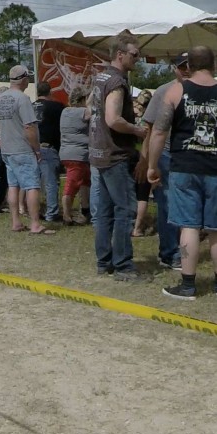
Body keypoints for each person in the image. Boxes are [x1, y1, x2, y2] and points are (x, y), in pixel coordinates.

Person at [148, 45, 217, 300]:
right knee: (215, 229)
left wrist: (152, 165)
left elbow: (158, 131)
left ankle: (188, 285)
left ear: (188, 67)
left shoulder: (176, 91)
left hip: (185, 167)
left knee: (188, 225)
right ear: (214, 64)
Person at [89, 33, 148, 279]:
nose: (138, 59)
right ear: (120, 54)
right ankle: (123, 265)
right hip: (115, 154)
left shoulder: (99, 78)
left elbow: (88, 111)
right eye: (134, 55)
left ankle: (104, 262)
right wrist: (138, 130)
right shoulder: (117, 82)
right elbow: (112, 119)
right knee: (124, 209)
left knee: (104, 211)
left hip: (98, 152)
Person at [141, 53, 190, 271]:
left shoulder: (207, 89)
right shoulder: (163, 91)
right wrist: (148, 161)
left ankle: (185, 252)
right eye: (182, 66)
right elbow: (151, 129)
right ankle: (170, 253)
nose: (186, 69)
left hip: (194, 155)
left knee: (189, 205)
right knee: (168, 203)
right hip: (168, 153)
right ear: (175, 68)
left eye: (190, 65)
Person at [0, 65, 54, 234]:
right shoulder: (22, 99)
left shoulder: (1, 98)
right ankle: (35, 224)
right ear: (23, 80)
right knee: (32, 186)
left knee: (13, 185)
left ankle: (16, 222)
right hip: (22, 149)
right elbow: (29, 127)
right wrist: (37, 150)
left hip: (7, 148)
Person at [32, 81, 66, 221]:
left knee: (34, 182)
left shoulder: (30, 106)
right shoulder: (57, 107)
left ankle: (35, 210)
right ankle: (51, 213)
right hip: (48, 147)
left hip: (31, 147)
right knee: (51, 182)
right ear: (49, 92)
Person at [59, 86, 91, 226]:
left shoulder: (65, 111)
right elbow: (91, 112)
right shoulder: (83, 112)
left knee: (84, 181)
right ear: (82, 99)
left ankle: (85, 209)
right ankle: (67, 215)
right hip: (78, 155)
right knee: (71, 185)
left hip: (66, 152)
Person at [130, 89, 153, 237]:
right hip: (144, 157)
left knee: (130, 192)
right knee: (142, 194)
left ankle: (130, 222)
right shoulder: (149, 119)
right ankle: (137, 228)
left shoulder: (130, 115)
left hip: (129, 155)